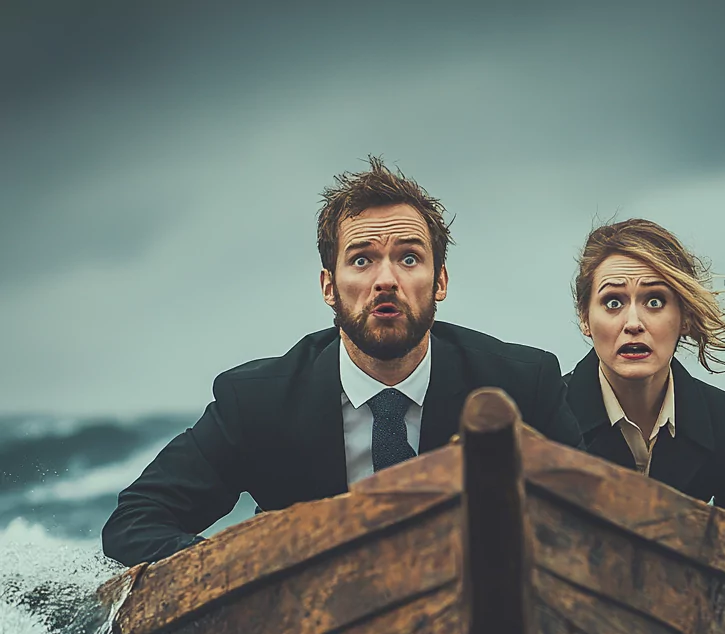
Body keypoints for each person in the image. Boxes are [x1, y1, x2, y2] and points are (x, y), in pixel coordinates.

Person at [102, 159, 582, 566]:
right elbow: (136, 522)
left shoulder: (523, 385)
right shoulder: (256, 402)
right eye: (362, 260)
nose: (386, 280)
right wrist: (254, 567)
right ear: (329, 286)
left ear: (440, 282)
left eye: (410, 258)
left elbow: (589, 522)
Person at [564, 219, 725, 531]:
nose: (633, 323)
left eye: (655, 301)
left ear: (684, 317)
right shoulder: (548, 412)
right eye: (613, 302)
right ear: (585, 318)